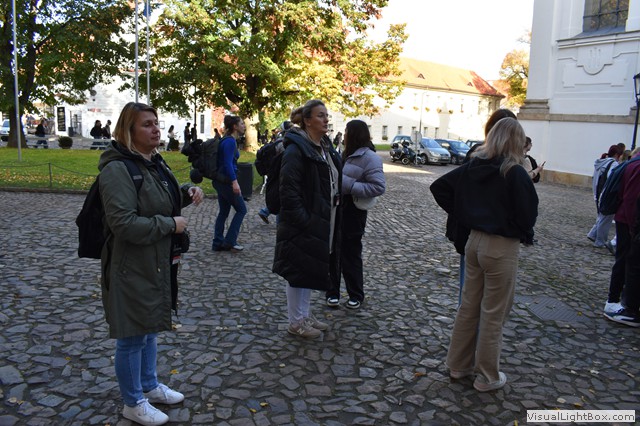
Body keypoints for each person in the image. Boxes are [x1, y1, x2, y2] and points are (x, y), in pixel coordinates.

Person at [98, 102, 204, 425]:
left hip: (155, 263)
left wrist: (186, 192)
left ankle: (148, 384)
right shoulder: (118, 169)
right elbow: (124, 223)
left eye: (156, 122)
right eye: (146, 124)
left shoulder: (153, 162)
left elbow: (158, 197)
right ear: (128, 131)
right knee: (132, 335)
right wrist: (170, 225)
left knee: (149, 329)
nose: (156, 129)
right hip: (130, 266)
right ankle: (133, 402)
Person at [430, 117, 538, 392]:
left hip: (474, 242)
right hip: (500, 246)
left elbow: (440, 188)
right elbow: (527, 216)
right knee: (493, 313)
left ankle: (458, 365)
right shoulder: (514, 171)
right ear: (516, 141)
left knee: (469, 306)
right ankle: (487, 376)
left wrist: (466, 214)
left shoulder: (475, 165)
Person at [273, 99, 342, 339]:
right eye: (320, 115)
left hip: (323, 217)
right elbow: (288, 191)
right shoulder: (296, 150)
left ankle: (304, 314)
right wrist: (304, 220)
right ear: (307, 121)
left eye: (326, 115)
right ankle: (295, 322)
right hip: (303, 222)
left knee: (310, 267)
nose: (326, 119)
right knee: (298, 270)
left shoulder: (323, 147)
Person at [450, 109, 517, 305]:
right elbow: (449, 188)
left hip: (479, 232)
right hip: (479, 234)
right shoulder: (481, 156)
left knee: (472, 296)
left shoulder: (501, 159)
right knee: (475, 298)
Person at [325, 120, 385, 309]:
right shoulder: (345, 153)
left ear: (354, 134)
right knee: (333, 251)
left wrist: (348, 185)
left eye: (346, 131)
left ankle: (356, 294)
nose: (344, 134)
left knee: (351, 253)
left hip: (354, 211)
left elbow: (378, 187)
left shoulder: (370, 158)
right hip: (337, 208)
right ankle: (332, 292)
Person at [604, 147, 640, 326]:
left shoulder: (632, 163)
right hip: (628, 221)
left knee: (625, 261)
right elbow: (632, 199)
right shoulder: (637, 166)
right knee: (628, 262)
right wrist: (635, 228)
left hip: (626, 219)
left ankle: (617, 299)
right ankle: (616, 300)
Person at [211, 115, 247, 252]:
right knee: (242, 210)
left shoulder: (227, 140)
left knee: (224, 212)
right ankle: (230, 241)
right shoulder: (230, 142)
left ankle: (218, 242)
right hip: (226, 182)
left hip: (220, 181)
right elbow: (228, 164)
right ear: (235, 127)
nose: (244, 126)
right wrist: (234, 182)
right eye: (242, 123)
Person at [587, 145, 622, 249]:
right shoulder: (613, 164)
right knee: (606, 218)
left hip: (598, 191)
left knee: (602, 215)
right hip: (607, 193)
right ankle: (600, 241)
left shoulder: (602, 162)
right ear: (617, 154)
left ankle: (593, 234)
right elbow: (612, 178)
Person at [257, 120, 293, 224]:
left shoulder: (279, 141)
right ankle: (278, 223)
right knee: (281, 198)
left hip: (275, 172)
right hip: (280, 173)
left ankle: (266, 212)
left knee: (279, 196)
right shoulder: (283, 144)